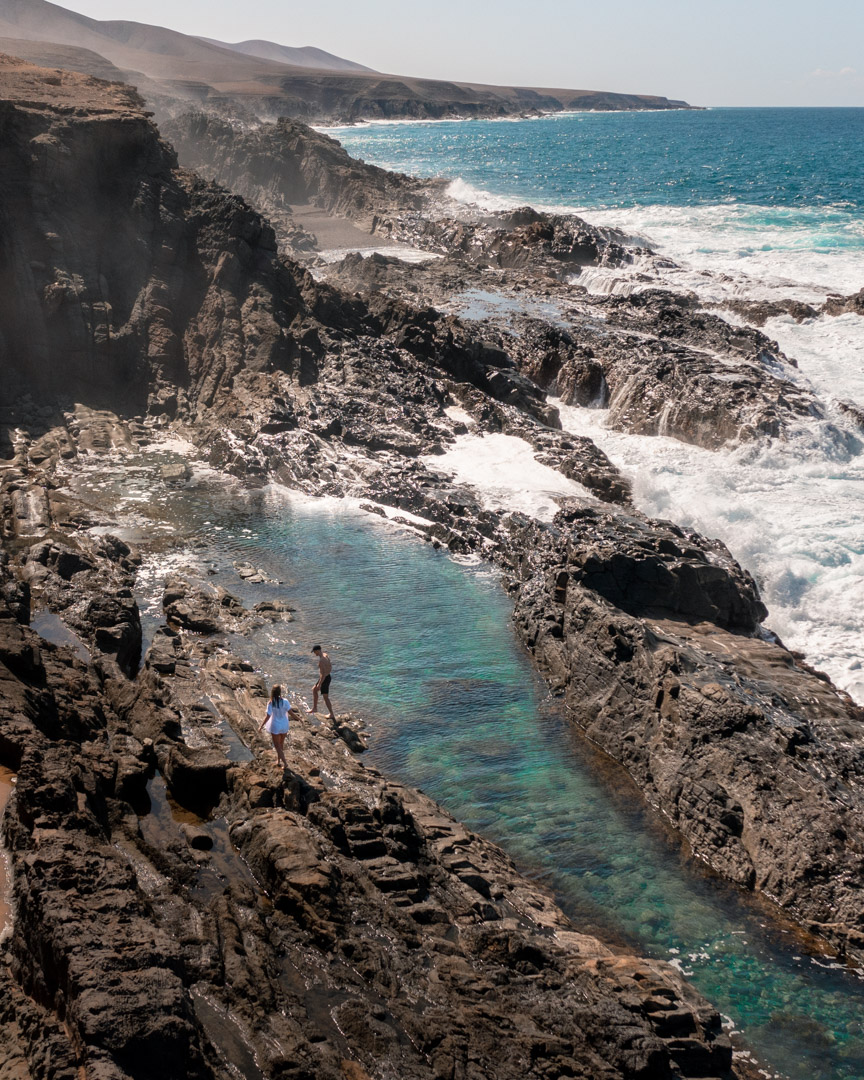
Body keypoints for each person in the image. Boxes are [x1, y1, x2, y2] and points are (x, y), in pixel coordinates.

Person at [258, 684, 296, 767]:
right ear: (280, 692)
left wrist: (261, 726)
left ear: (272, 692)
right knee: (281, 744)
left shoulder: (271, 703)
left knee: (277, 746)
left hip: (275, 726)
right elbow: (291, 713)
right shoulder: (285, 701)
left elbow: (268, 716)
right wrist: (299, 719)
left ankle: (285, 763)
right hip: (285, 725)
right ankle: (278, 760)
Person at [310, 645, 335, 719]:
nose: (314, 653)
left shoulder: (321, 661)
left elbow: (323, 674)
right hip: (328, 676)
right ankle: (315, 708)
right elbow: (330, 666)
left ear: (318, 650)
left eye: (314, 652)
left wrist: (320, 684)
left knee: (325, 697)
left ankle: (331, 714)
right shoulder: (325, 655)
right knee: (314, 690)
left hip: (324, 679)